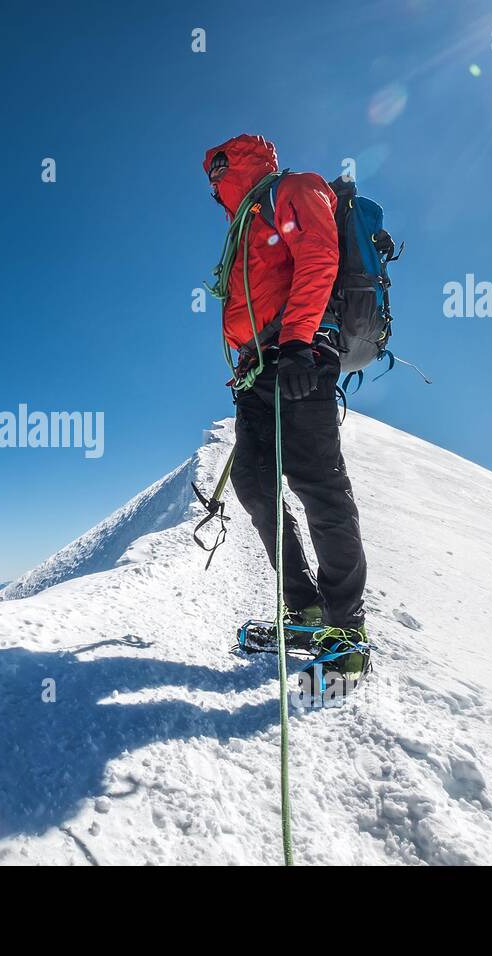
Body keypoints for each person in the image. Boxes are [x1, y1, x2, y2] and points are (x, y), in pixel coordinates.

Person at [203, 133, 369, 679]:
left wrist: (298, 341)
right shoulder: (244, 222)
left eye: (218, 170)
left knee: (317, 483)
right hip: (257, 371)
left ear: (237, 165)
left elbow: (319, 256)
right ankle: (305, 606)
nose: (211, 183)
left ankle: (347, 627)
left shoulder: (292, 190)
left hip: (299, 359)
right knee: (253, 483)